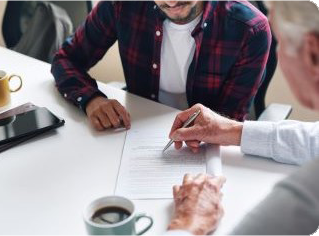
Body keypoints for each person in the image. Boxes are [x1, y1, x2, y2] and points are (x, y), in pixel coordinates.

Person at [164, 0, 319, 235]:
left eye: (280, 42)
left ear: (313, 55)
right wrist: (231, 130)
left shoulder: (308, 190)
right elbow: (314, 141)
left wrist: (187, 224)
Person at [51, 0, 271, 131]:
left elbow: (228, 120)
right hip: (136, 129)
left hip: (204, 145)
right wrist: (91, 99)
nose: (173, 3)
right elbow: (66, 59)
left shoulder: (250, 29)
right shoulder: (121, 4)